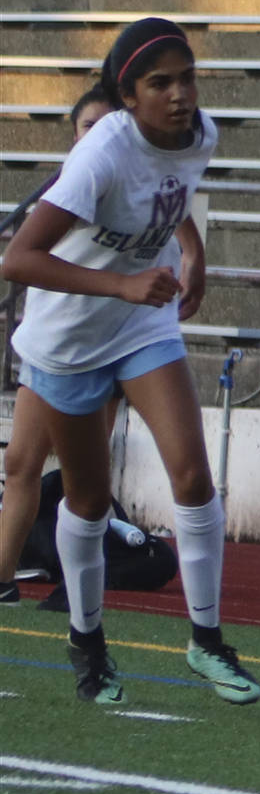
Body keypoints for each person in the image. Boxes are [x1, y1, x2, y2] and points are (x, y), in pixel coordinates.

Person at [0, 17, 260, 708]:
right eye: (160, 83)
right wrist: (120, 283)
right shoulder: (101, 153)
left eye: (187, 77)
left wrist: (193, 250)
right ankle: (89, 647)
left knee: (192, 475)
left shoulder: (201, 133)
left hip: (142, 321)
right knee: (87, 498)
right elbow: (18, 259)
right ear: (127, 95)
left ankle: (206, 641)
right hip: (70, 338)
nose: (180, 94)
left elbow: (167, 191)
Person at [0, 85, 124, 602]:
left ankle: (78, 588)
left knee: (84, 482)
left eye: (106, 126)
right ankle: (3, 576)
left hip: (108, 346)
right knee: (21, 463)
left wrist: (191, 251)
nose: (96, 136)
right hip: (51, 346)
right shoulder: (68, 189)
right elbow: (23, 254)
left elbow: (177, 211)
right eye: (86, 128)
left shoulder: (129, 186)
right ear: (73, 138)